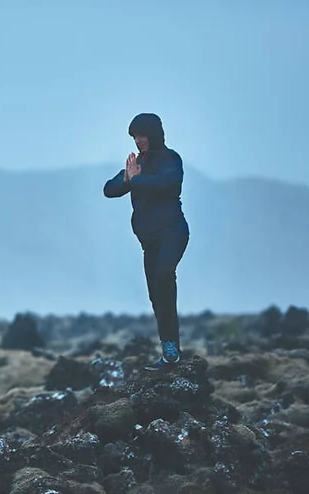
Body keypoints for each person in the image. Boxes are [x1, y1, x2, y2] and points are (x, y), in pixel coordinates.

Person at [103, 113, 190, 371]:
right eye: (134, 136)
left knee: (164, 275)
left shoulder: (171, 160)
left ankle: (172, 351)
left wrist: (136, 179)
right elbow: (109, 189)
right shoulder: (136, 166)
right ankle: (170, 352)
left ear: (154, 134)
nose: (138, 140)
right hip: (149, 240)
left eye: (141, 135)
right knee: (156, 295)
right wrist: (128, 179)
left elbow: (163, 183)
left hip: (173, 232)